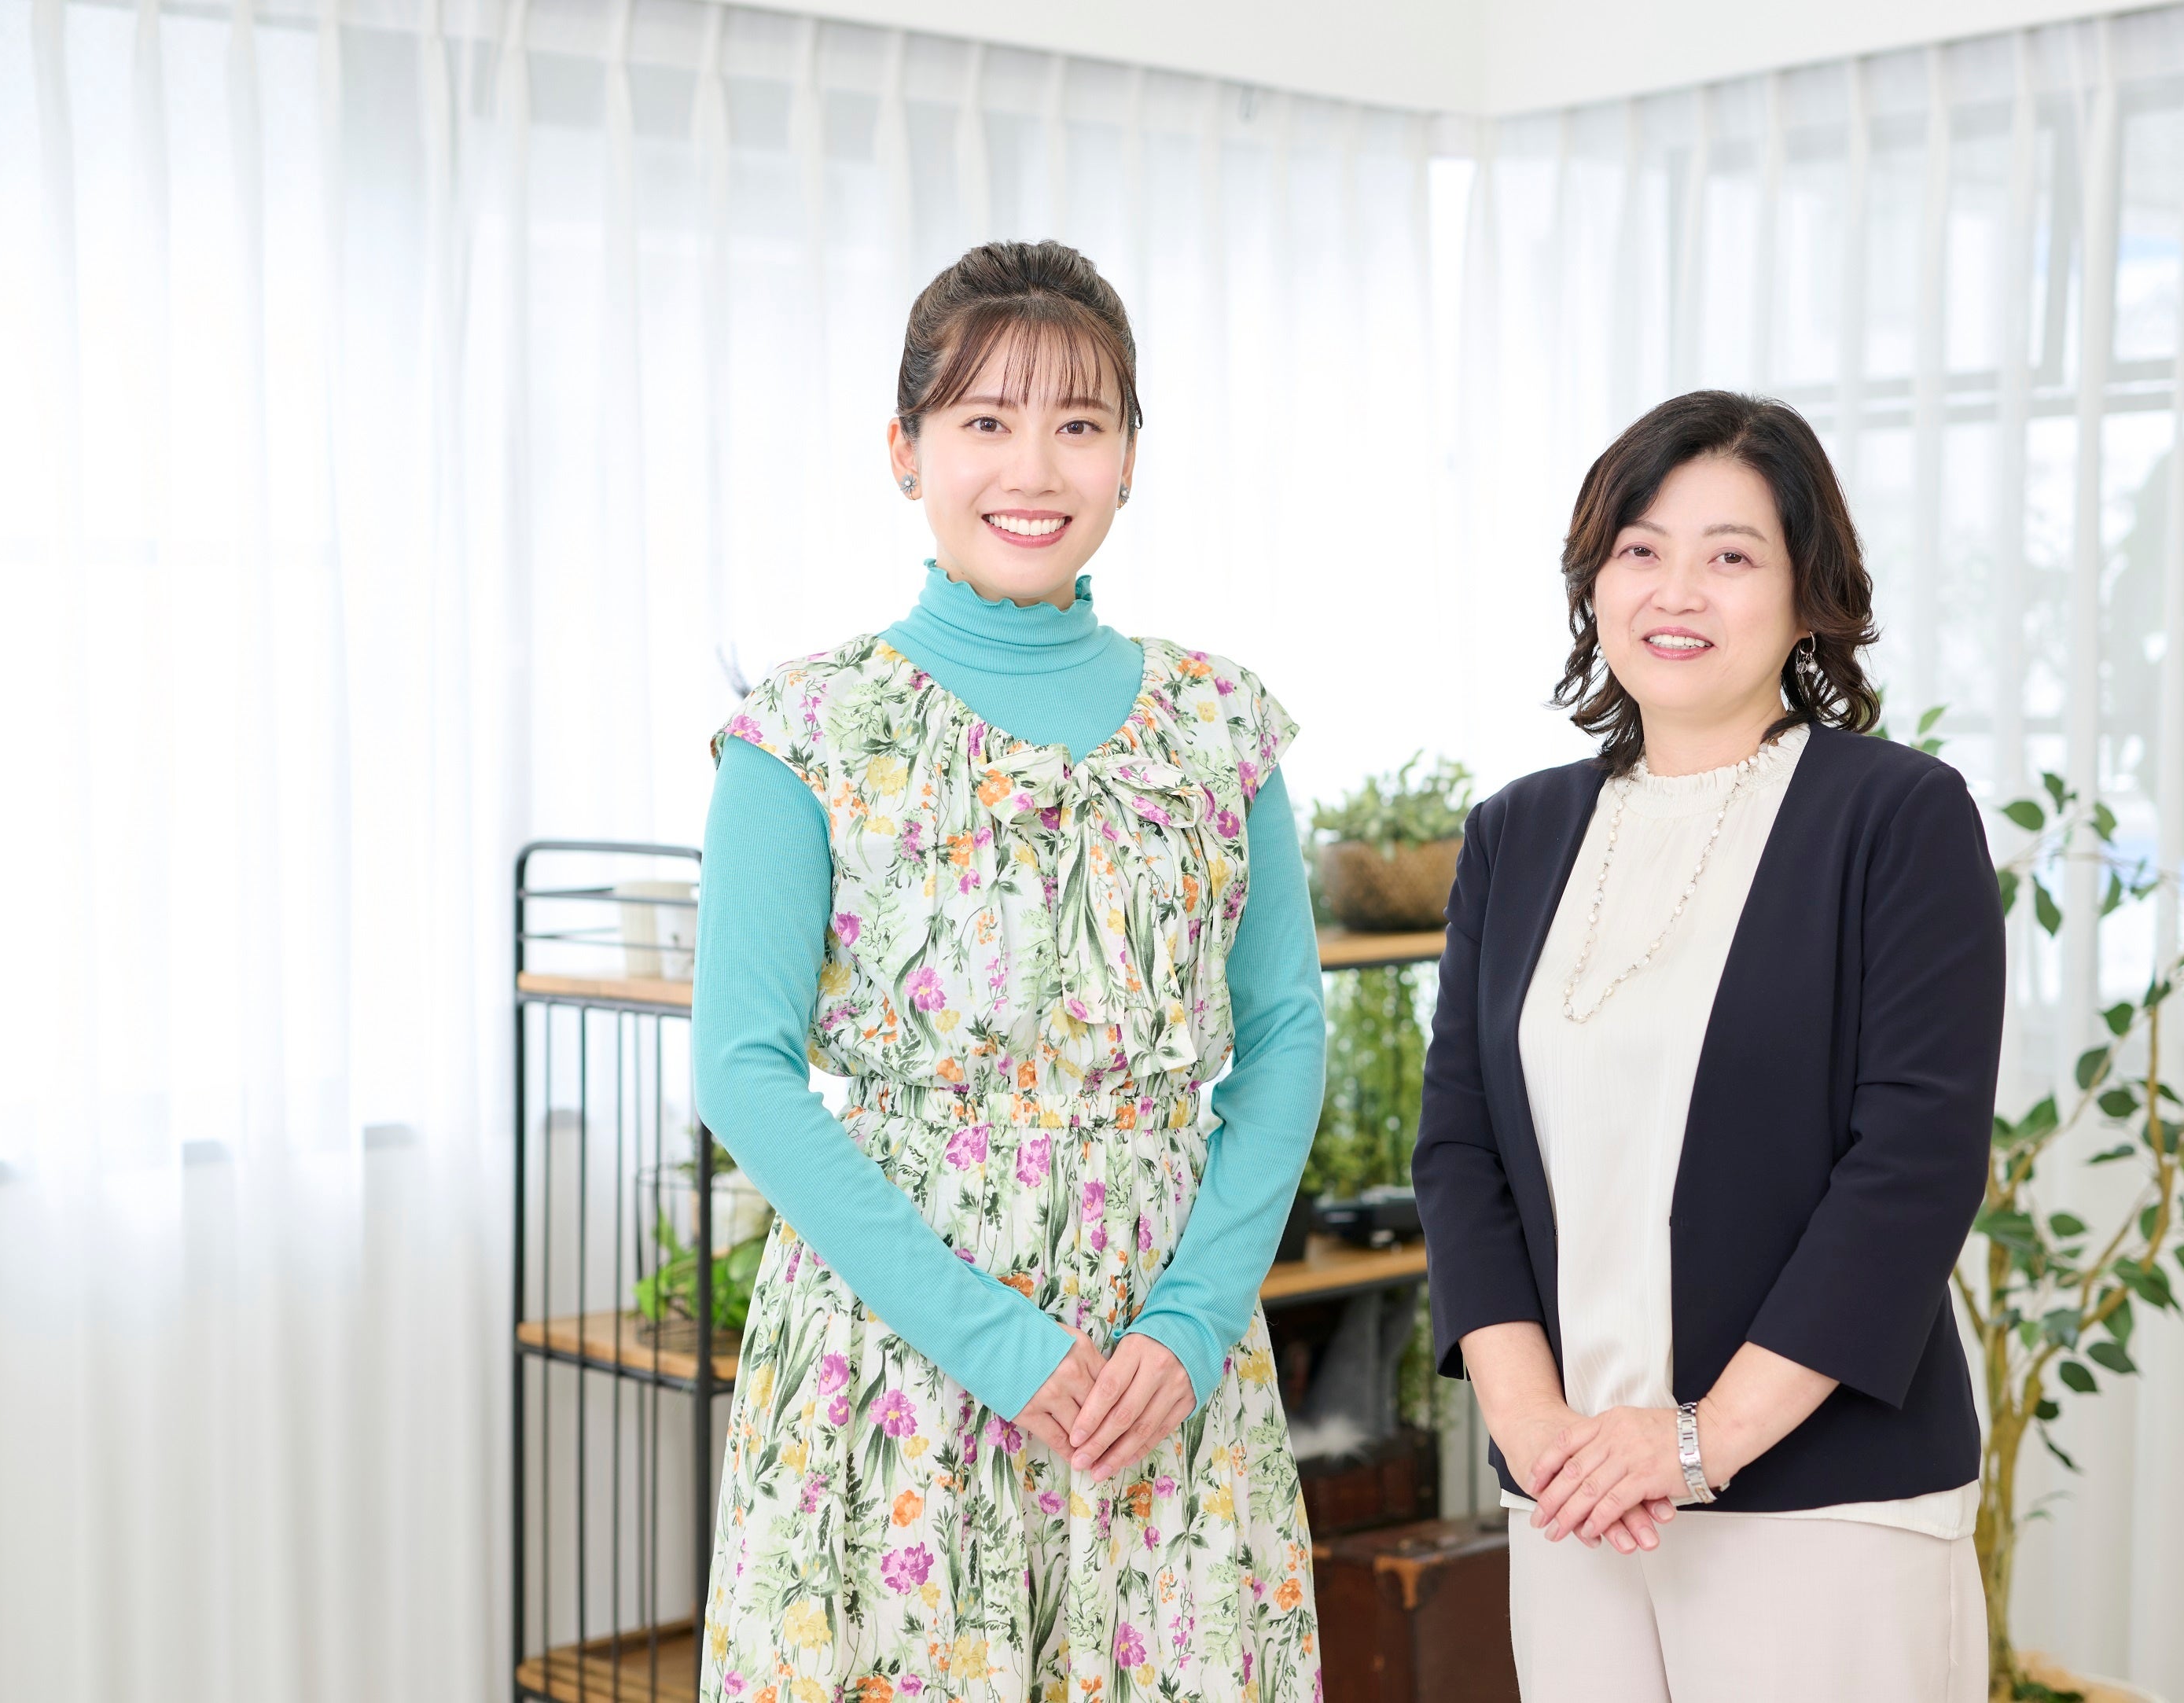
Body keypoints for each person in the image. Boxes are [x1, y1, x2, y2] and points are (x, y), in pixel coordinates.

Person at [692, 240, 1325, 1703]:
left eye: (1078, 423)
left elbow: (1287, 1034)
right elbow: (743, 1069)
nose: (1033, 468)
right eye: (985, 419)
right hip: (893, 1366)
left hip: (1162, 1374)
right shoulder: (807, 729)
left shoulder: (1221, 725)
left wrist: (1189, 1324)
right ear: (904, 450)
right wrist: (998, 1345)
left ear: (1128, 459)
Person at [1410, 391, 2002, 1700]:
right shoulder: (1516, 833)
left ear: (1805, 597)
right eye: (1639, 548)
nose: (1675, 589)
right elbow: (1458, 1151)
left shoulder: (1894, 816)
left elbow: (1911, 1165)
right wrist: (1537, 1431)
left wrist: (1695, 1441)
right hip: (1572, 1499)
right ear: (1593, 581)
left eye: (1729, 555)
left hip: (1822, 1501)